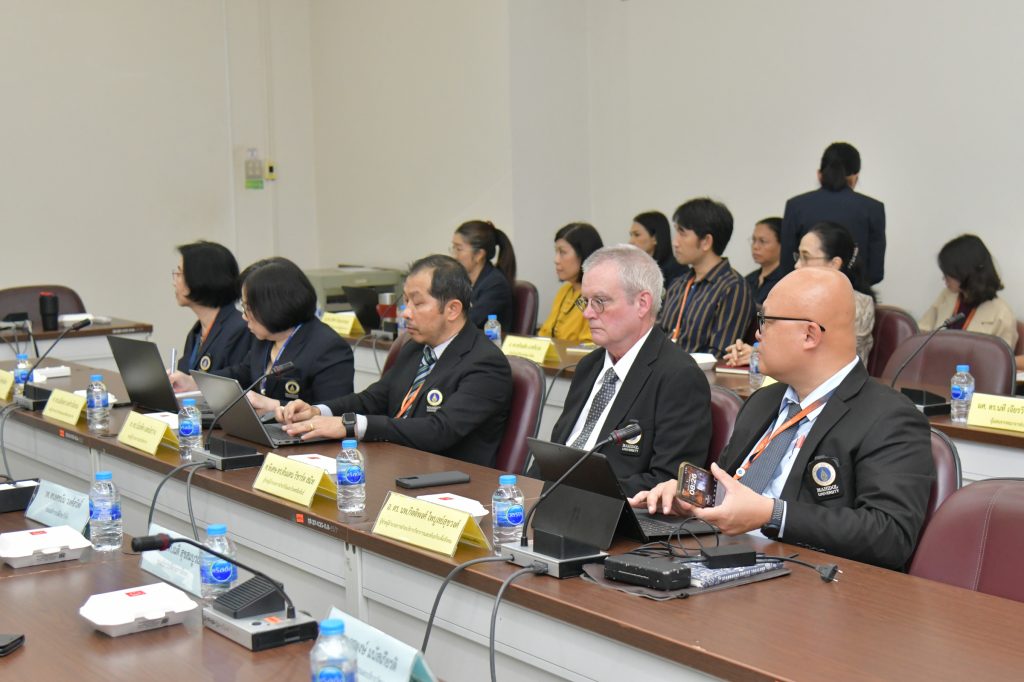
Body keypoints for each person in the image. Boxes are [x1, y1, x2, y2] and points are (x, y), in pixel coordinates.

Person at [632, 268, 935, 571]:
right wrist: (692, 500)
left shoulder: (889, 417)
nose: (757, 334)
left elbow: (890, 535)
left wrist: (773, 515)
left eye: (766, 321)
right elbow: (731, 490)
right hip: (724, 557)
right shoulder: (764, 400)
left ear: (809, 335)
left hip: (805, 579)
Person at [276, 255, 512, 468]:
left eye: (418, 303)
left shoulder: (485, 363)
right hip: (397, 463)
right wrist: (318, 411)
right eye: (406, 301)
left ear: (452, 309)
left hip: (449, 479)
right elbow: (373, 399)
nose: (405, 312)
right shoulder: (415, 348)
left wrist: (351, 425)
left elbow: (439, 431)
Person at [550, 245, 711, 497]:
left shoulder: (679, 377)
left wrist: (576, 488)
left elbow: (668, 482)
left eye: (599, 302)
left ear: (642, 304)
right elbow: (558, 451)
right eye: (585, 301)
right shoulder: (589, 365)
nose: (587, 313)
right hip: (554, 499)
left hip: (615, 511)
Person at [170, 257, 354, 411]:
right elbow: (241, 373)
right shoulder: (265, 339)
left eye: (247, 308)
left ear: (272, 307)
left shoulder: (329, 348)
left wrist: (274, 406)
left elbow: (334, 412)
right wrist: (194, 383)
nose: (243, 316)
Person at [726, 221, 875, 367]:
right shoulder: (793, 298)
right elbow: (775, 343)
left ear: (834, 264)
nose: (797, 265)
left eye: (806, 257)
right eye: (798, 256)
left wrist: (762, 354)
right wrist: (750, 351)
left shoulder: (859, 304)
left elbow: (842, 364)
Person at [657, 198, 754, 357]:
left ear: (706, 242)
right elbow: (657, 335)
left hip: (697, 371)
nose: (675, 242)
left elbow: (720, 353)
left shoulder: (733, 287)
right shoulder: (678, 284)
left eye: (682, 233)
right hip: (662, 368)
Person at [780, 142, 886, 285]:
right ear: (855, 177)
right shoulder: (873, 208)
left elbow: (787, 266)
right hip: (852, 294)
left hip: (806, 291)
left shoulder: (796, 206)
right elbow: (875, 272)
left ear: (819, 174)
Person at [918, 234, 1018, 350]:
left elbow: (1002, 358)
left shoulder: (1002, 314)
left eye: (948, 273)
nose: (944, 278)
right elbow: (921, 332)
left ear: (964, 271)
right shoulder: (947, 295)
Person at [172, 241, 251, 374]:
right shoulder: (196, 332)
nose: (174, 282)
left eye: (179, 274)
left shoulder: (240, 329)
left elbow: (234, 381)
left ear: (199, 278)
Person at [537, 222, 604, 343]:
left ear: (584, 254)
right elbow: (545, 333)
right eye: (556, 252)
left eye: (563, 252)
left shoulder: (598, 295)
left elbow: (590, 346)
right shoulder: (565, 290)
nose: (556, 260)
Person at [450, 220, 517, 331]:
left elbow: (468, 322)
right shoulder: (464, 281)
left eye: (459, 249)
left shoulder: (496, 285)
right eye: (453, 248)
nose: (454, 256)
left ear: (479, 255)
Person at [629, 211, 689, 287]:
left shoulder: (677, 269)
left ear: (655, 238)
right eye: (631, 235)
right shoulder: (636, 268)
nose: (631, 241)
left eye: (637, 235)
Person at [743, 217, 783, 307]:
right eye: (754, 240)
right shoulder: (747, 280)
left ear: (782, 244)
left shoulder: (786, 281)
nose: (755, 246)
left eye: (762, 241)